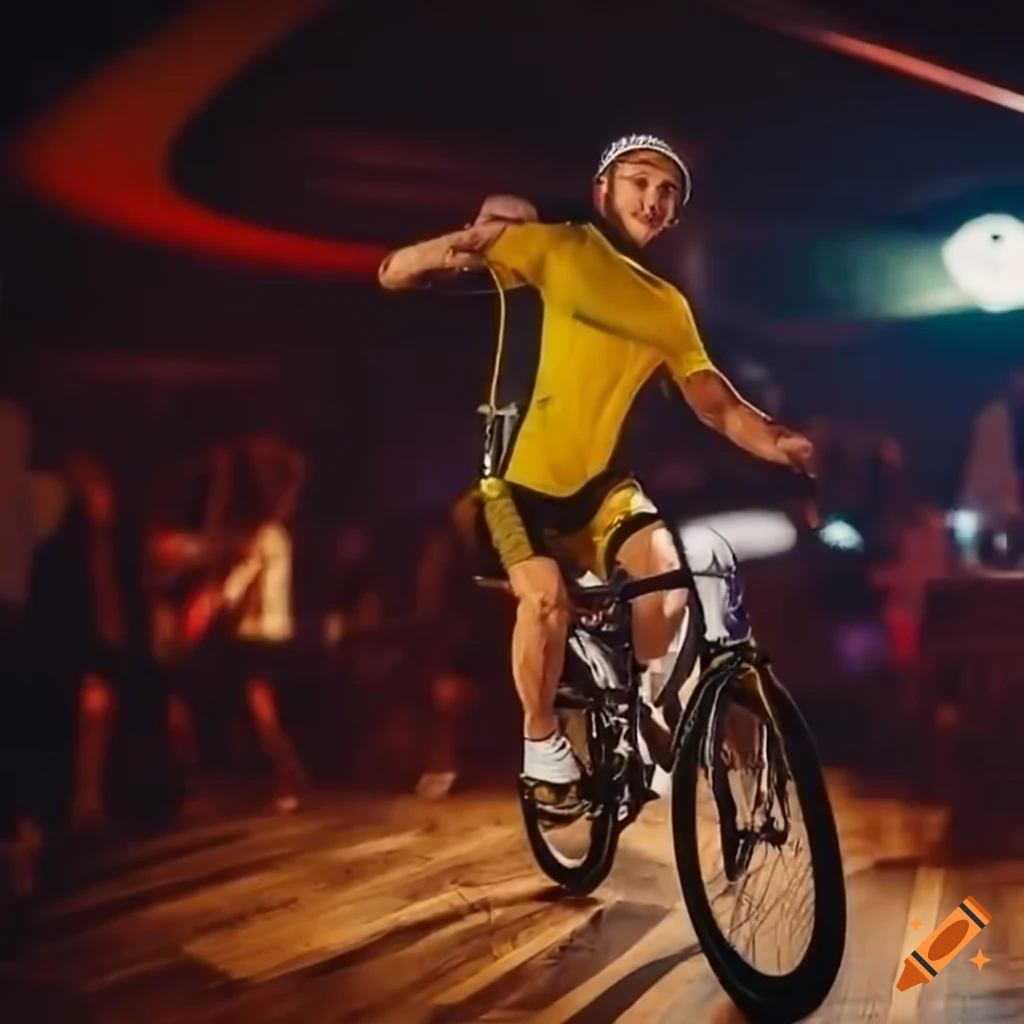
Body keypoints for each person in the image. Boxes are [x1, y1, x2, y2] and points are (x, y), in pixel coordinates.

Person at [379, 134, 815, 810]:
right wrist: (458, 245)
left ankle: (644, 716)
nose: (654, 197)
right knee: (546, 599)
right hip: (513, 484)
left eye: (668, 191)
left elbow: (717, 404)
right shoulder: (554, 246)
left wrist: (779, 441)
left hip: (600, 487)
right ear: (601, 191)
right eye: (639, 180)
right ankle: (541, 740)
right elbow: (392, 272)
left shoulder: (666, 306)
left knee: (667, 575)